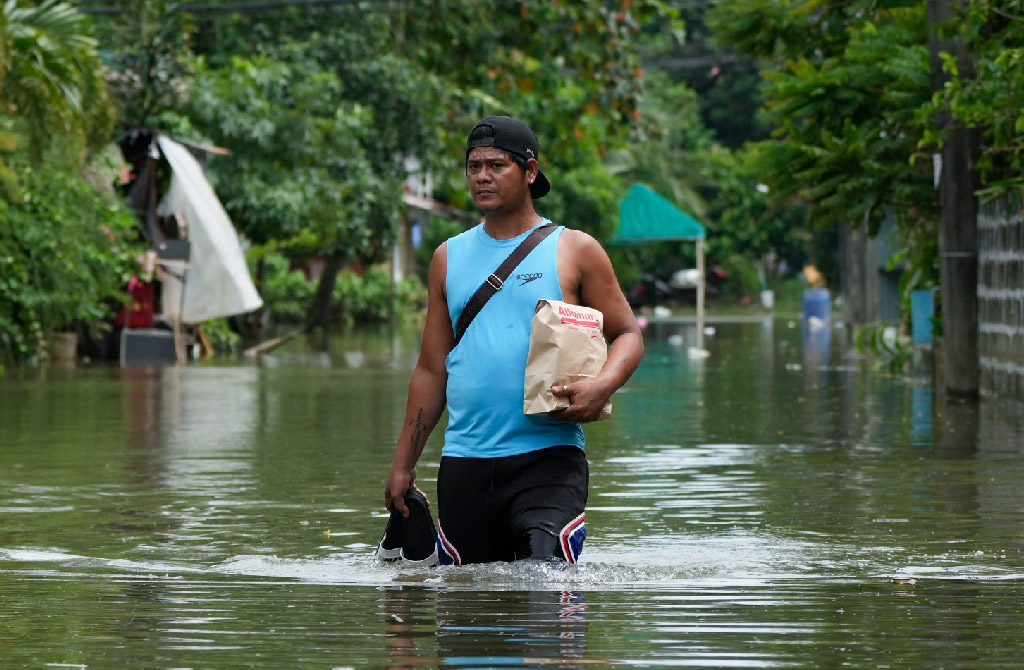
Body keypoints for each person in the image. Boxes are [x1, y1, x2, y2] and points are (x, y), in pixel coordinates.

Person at [383, 115, 644, 565]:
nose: (482, 176)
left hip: (548, 457)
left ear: (530, 171)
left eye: (497, 165)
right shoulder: (448, 257)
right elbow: (430, 369)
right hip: (464, 461)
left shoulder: (575, 249)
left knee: (544, 582)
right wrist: (403, 464)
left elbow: (628, 335)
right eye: (473, 166)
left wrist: (602, 386)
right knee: (468, 617)